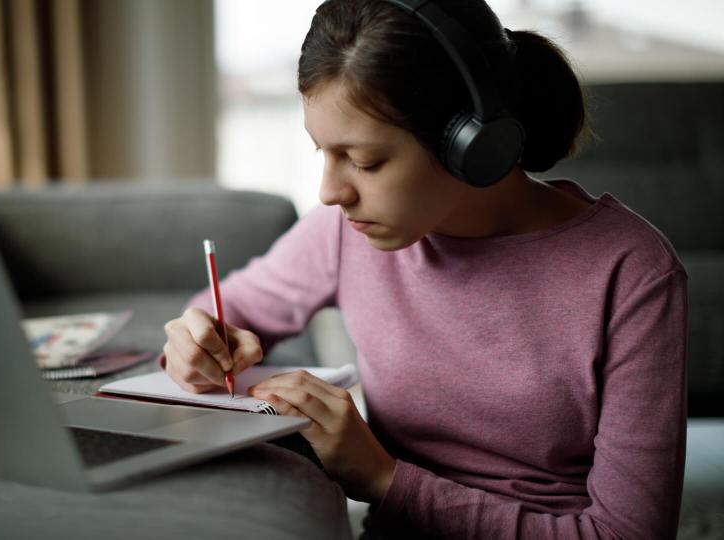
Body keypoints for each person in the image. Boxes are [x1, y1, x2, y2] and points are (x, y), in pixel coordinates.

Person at [161, 0, 687, 537]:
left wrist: (383, 479)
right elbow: (229, 308)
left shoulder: (632, 272)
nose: (330, 192)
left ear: (471, 145)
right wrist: (200, 340)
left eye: (365, 161)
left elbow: (629, 533)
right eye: (323, 151)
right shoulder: (345, 230)